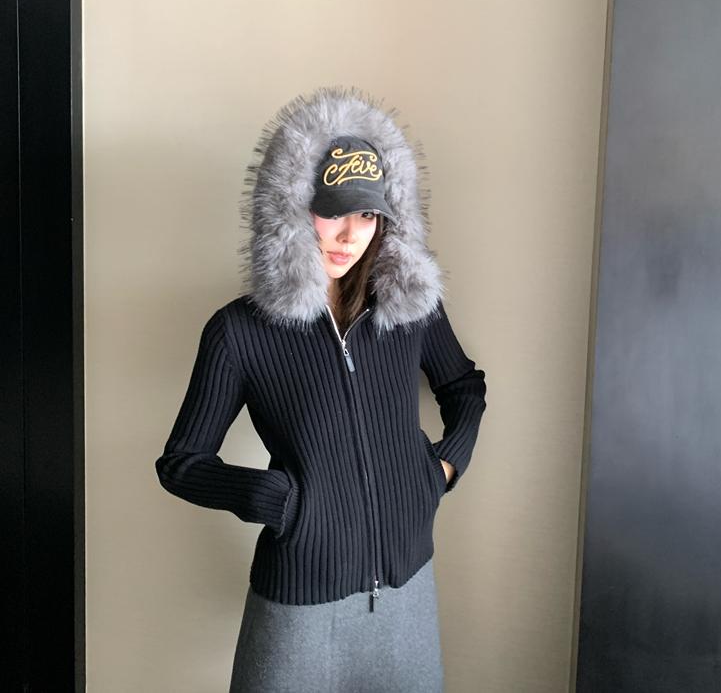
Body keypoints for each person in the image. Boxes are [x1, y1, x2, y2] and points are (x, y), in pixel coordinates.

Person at [155, 84, 488, 693]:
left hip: (408, 593)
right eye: (331, 211)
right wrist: (277, 501)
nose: (349, 234)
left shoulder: (410, 309)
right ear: (290, 208)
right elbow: (181, 463)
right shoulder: (238, 331)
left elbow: (464, 387)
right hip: (297, 610)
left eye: (367, 215)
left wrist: (440, 469)